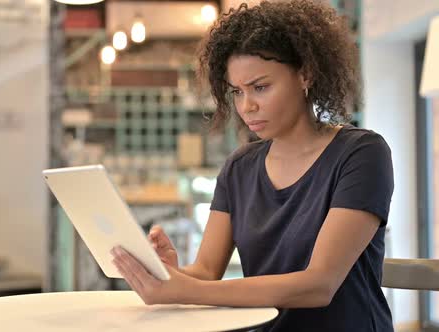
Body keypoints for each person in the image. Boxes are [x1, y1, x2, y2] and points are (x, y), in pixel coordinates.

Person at [110, 1, 394, 331]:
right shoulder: (239, 167)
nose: (248, 106)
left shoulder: (361, 154)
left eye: (260, 87)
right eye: (237, 92)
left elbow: (320, 284)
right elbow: (204, 272)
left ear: (306, 75)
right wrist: (166, 274)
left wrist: (189, 289)